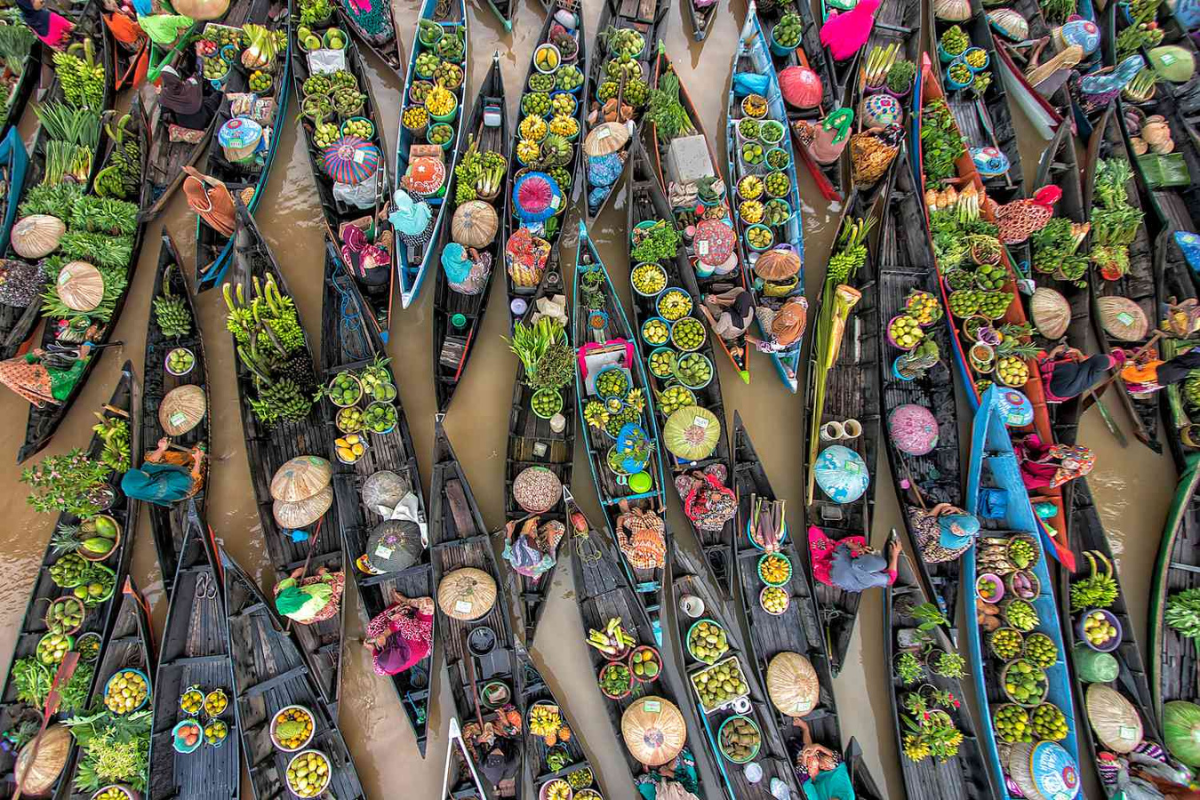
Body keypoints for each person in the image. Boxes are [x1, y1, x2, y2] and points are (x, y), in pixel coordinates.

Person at [363, 590, 433, 676]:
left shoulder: (384, 669)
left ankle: (398, 604)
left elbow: (378, 669)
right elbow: (403, 621)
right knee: (428, 603)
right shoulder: (412, 638)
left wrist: (372, 649)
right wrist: (384, 634)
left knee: (372, 629)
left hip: (407, 636)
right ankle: (405, 601)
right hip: (421, 636)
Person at [809, 527, 900, 592]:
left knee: (813, 531)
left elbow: (841, 545)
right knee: (862, 542)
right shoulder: (870, 580)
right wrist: (894, 555)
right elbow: (891, 579)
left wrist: (853, 547)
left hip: (826, 572)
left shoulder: (842, 559)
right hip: (846, 576)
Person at [120, 437, 205, 505]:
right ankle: (198, 459)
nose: (143, 471)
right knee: (197, 474)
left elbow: (150, 462)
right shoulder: (168, 486)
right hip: (186, 485)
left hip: (165, 477)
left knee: (149, 456)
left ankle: (189, 456)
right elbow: (192, 478)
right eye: (142, 474)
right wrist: (198, 459)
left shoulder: (143, 483)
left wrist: (161, 448)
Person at [0, 344, 92, 406]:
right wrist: (83, 355)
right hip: (66, 388)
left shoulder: (4, 368)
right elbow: (71, 375)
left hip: (52, 378)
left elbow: (19, 367)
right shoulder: (4, 372)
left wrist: (34, 355)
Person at [1039, 344, 1126, 402]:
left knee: (1041, 354)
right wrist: (1077, 352)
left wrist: (1054, 351)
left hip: (1047, 390)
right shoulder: (1097, 376)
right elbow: (1086, 363)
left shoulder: (1070, 368)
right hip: (1059, 398)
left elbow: (1044, 368)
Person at [792, 718, 854, 799]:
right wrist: (818, 747)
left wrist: (805, 757)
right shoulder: (848, 795)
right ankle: (806, 731)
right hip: (830, 769)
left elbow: (804, 781)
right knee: (829, 762)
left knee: (811, 760)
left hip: (816, 778)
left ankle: (805, 729)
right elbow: (840, 763)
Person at [907, 502, 981, 564]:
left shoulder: (940, 533)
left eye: (961, 533)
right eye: (957, 526)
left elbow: (927, 522)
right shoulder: (966, 525)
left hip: (925, 550)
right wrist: (956, 509)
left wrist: (940, 506)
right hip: (932, 536)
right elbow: (965, 515)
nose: (956, 531)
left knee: (919, 514)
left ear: (965, 535)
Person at [1015, 434, 1094, 490]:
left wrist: (1016, 467)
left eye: (1074, 466)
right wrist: (1029, 439)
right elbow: (1036, 447)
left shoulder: (1057, 477)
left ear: (1076, 469)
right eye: (1070, 459)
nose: (1070, 463)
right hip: (1022, 457)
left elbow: (1030, 481)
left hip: (1019, 475)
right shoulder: (1057, 452)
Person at [273, 567, 345, 624]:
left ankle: (307, 621)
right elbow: (331, 588)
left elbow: (294, 576)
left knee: (277, 588)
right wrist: (324, 574)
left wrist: (299, 571)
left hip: (302, 616)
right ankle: (321, 571)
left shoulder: (283, 602)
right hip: (318, 607)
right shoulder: (315, 594)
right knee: (340, 581)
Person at [158, 65, 219, 131]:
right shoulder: (190, 85)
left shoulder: (165, 95)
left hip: (185, 125)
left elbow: (164, 109)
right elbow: (197, 75)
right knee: (216, 95)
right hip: (204, 118)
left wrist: (161, 93)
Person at [1121, 347, 1200, 394]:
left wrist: (1128, 362)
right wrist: (1136, 355)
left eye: (1187, 352)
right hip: (1149, 372)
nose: (1185, 350)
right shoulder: (1180, 368)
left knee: (1118, 353)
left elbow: (1134, 377)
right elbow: (1153, 362)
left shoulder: (1165, 371)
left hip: (1137, 379)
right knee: (1146, 351)